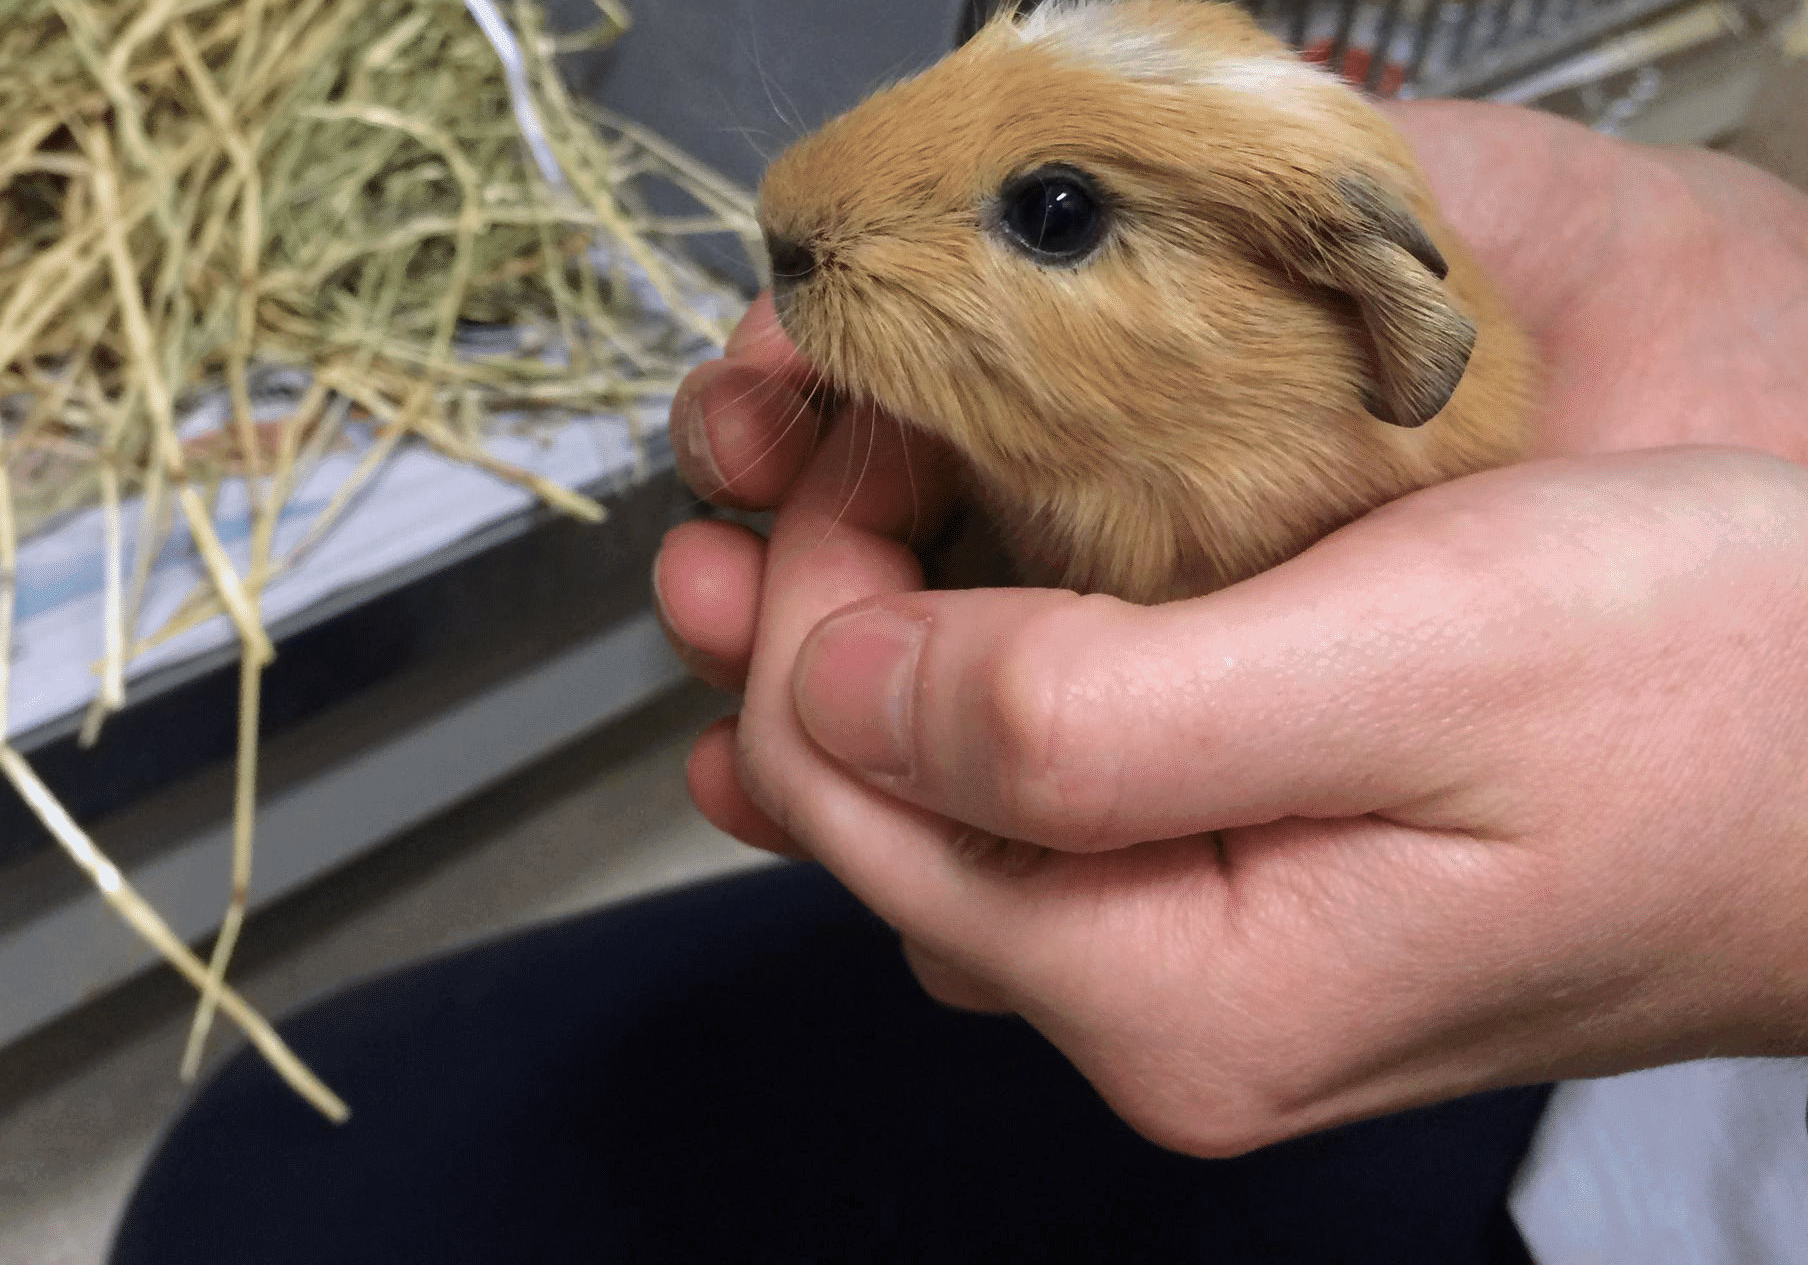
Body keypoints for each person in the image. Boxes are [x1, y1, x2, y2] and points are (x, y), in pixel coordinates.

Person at [114, 99, 1808, 1263]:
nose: (803, 217)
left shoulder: (1397, 434)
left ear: (1352, 318)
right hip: (1657, 1125)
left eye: (1053, 218)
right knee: (287, 1163)